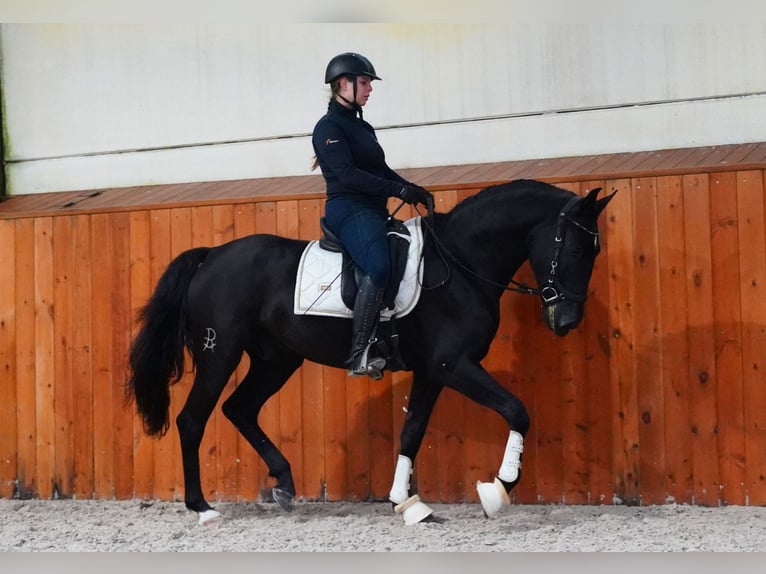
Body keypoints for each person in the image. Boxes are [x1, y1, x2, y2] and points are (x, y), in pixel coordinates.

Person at [311, 52, 432, 377]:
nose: (369, 89)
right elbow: (348, 175)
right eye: (364, 82)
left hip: (372, 208)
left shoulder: (362, 127)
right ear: (342, 84)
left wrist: (411, 188)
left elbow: (380, 169)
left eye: (368, 83)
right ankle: (360, 350)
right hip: (348, 208)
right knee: (378, 266)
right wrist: (396, 191)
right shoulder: (328, 127)